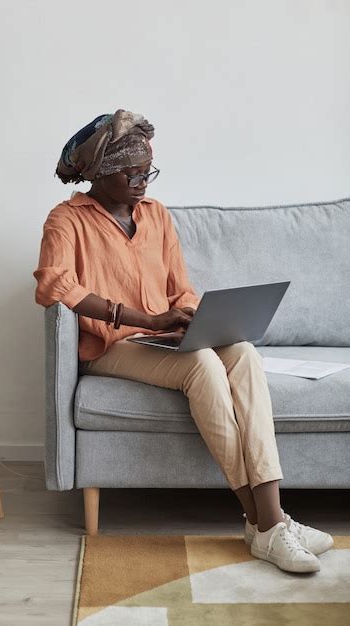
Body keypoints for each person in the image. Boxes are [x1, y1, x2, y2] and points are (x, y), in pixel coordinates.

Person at [33, 108, 333, 573]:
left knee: (243, 354)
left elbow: (181, 289)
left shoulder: (156, 216)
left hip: (162, 338)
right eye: (131, 174)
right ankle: (269, 523)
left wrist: (192, 318)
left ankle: (269, 525)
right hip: (112, 348)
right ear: (100, 173)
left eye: (146, 171)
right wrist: (143, 319)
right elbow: (54, 286)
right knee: (202, 366)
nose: (142, 182)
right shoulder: (66, 220)